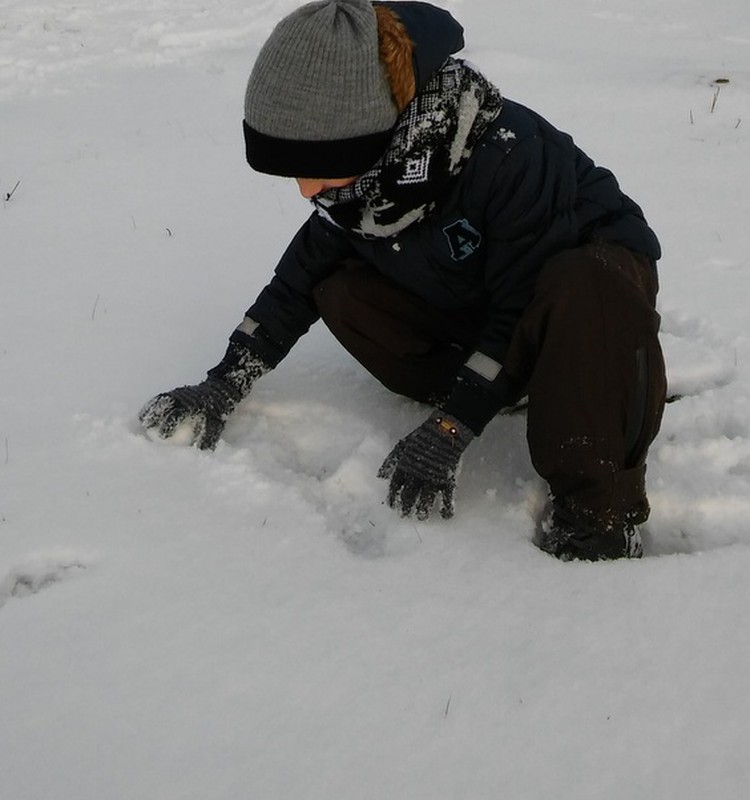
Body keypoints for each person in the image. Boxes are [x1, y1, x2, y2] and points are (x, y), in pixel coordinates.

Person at [139, 0, 666, 561]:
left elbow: (518, 309)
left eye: (311, 167)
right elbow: (297, 280)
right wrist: (225, 380)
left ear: (365, 135)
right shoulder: (366, 183)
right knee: (340, 288)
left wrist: (452, 430)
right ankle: (492, 389)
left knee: (587, 286)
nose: (304, 191)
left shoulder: (507, 156)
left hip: (581, 312)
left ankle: (599, 516)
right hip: (476, 300)